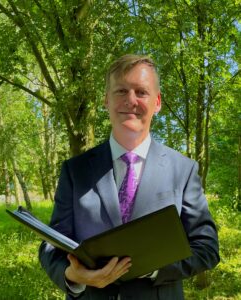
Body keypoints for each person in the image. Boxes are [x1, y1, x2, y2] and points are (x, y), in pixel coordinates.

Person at [39, 54, 220, 300]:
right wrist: (73, 276)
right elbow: (52, 245)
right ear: (106, 100)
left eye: (141, 92)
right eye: (121, 91)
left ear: (157, 102)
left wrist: (154, 268)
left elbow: (207, 248)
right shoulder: (75, 170)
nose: (130, 100)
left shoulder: (183, 170)